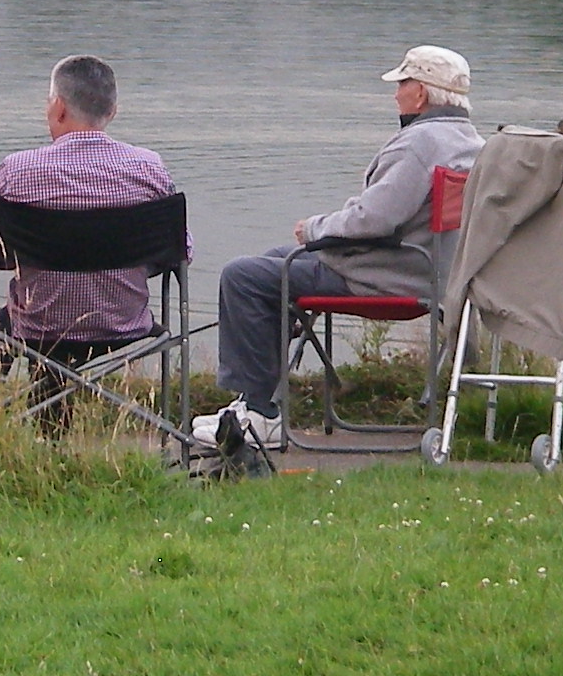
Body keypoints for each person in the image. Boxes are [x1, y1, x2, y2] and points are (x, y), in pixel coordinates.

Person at [202, 45, 484, 457]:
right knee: (272, 260)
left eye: (403, 84)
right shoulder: (470, 141)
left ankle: (261, 414)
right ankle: (254, 401)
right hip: (434, 275)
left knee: (242, 276)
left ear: (421, 93)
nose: (396, 94)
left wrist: (315, 228)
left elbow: (374, 219)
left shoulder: (420, 144)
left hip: (384, 277)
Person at [0, 54, 181, 435]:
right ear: (112, 111)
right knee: (49, 307)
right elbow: (180, 253)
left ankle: (22, 414)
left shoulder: (17, 171)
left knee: (22, 313)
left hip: (37, 326)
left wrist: (36, 252)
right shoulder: (150, 169)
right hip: (125, 325)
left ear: (58, 107)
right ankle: (57, 434)